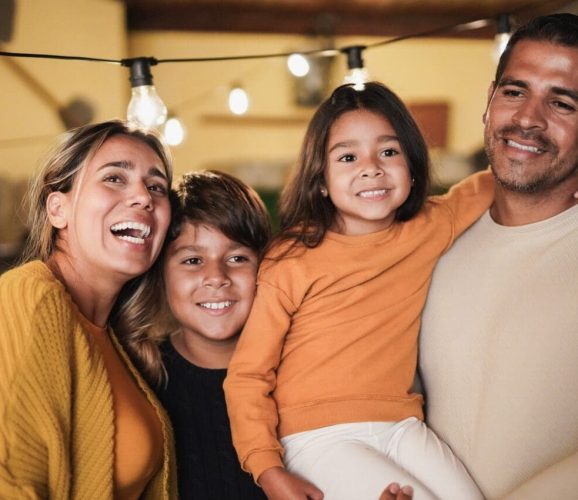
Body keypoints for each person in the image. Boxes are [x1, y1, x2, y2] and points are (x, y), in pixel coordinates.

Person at [223, 81, 495, 500]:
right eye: (348, 157)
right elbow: (248, 375)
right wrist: (268, 470)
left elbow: (494, 183)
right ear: (321, 181)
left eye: (389, 151)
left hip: (403, 425)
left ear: (413, 165)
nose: (371, 167)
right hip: (316, 436)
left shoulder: (431, 224)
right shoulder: (292, 258)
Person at [420, 13, 578, 500]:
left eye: (562, 102)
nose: (529, 118)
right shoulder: (432, 248)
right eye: (515, 92)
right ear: (489, 103)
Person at [0, 120, 177, 499]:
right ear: (58, 209)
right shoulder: (30, 298)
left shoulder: (109, 336)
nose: (144, 197)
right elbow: (11, 480)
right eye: (115, 178)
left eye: (157, 186)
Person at [136, 170, 271, 499]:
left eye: (237, 258)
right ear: (160, 274)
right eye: (193, 260)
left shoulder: (298, 370)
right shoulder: (139, 376)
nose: (216, 277)